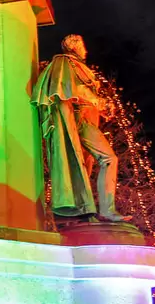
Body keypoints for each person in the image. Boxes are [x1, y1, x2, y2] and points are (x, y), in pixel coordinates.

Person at [31, 34, 129, 222]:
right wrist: (98, 101)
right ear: (74, 47)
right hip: (80, 121)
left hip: (88, 119)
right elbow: (73, 88)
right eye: (83, 46)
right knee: (108, 158)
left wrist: (101, 108)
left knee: (85, 167)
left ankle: (88, 210)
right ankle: (106, 211)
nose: (86, 50)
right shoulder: (65, 62)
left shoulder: (78, 66)